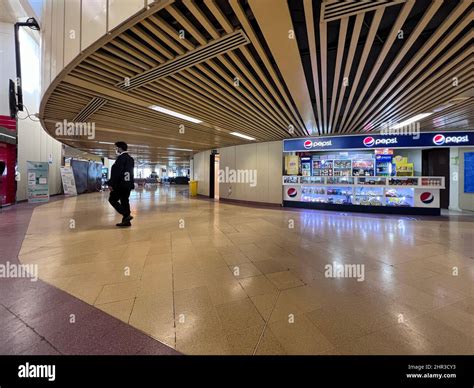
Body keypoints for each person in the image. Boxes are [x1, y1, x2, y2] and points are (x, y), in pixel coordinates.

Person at [107, 141, 134, 227]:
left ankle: (126, 215)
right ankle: (126, 222)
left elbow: (116, 173)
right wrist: (131, 184)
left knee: (112, 199)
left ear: (120, 148)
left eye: (116, 148)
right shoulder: (130, 159)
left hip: (121, 185)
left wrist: (111, 184)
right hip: (128, 185)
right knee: (125, 201)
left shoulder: (120, 158)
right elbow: (131, 173)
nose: (116, 150)